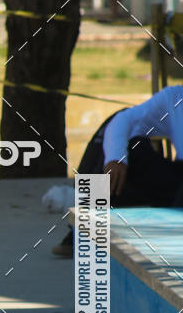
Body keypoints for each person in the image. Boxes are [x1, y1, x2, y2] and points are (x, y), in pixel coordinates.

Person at [53, 85, 183, 257]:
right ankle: (85, 228)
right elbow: (123, 120)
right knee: (126, 144)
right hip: (177, 182)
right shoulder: (176, 96)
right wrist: (116, 158)